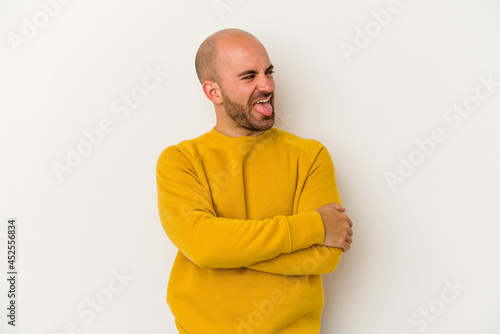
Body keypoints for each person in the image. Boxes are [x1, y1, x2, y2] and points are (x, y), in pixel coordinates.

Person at [156, 28, 353, 334]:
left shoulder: (310, 155)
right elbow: (205, 247)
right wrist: (314, 226)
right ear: (214, 92)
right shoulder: (180, 161)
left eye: (268, 71)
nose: (267, 85)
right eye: (249, 76)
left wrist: (226, 251)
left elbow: (325, 257)